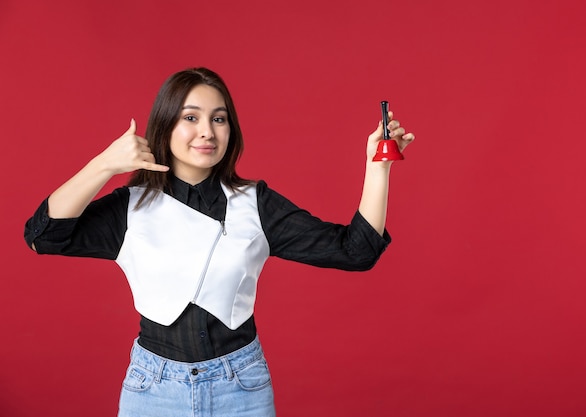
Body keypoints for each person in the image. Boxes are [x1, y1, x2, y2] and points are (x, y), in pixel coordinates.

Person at [24, 67, 415, 417]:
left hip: (241, 388)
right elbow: (42, 236)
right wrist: (104, 164)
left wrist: (377, 167)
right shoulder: (129, 207)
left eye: (219, 119)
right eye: (190, 117)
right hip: (153, 390)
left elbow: (356, 251)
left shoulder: (255, 203)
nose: (207, 131)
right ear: (165, 126)